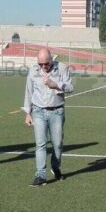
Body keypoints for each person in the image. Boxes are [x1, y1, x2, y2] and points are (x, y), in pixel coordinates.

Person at [22, 47, 73, 187]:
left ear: (52, 59)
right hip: (38, 111)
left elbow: (70, 87)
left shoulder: (62, 68)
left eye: (46, 63)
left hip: (57, 111)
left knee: (57, 144)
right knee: (40, 144)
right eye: (40, 64)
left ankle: (55, 167)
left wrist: (56, 85)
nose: (43, 66)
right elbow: (28, 92)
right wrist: (28, 113)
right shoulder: (33, 71)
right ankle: (40, 175)